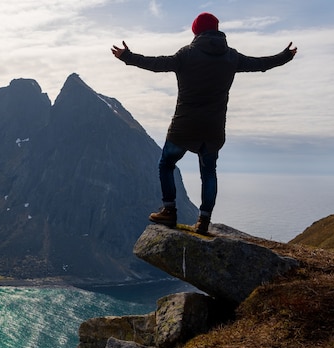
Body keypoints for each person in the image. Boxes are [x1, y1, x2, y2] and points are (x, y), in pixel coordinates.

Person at [111, 12, 297, 234]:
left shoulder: (186, 54)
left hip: (184, 125)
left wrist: (127, 56)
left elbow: (156, 64)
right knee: (209, 172)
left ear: (195, 31)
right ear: (217, 30)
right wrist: (285, 56)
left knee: (166, 164)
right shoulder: (232, 57)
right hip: (213, 129)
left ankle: (169, 211)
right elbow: (261, 64)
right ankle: (204, 221)